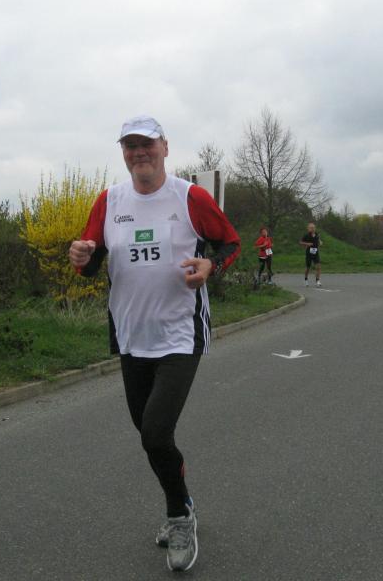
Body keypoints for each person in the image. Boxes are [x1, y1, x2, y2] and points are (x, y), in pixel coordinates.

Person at [68, 115, 240, 572]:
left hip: (180, 333)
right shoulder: (109, 200)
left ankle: (179, 518)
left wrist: (211, 266)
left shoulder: (190, 197)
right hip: (131, 335)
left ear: (165, 147)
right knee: (148, 434)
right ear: (123, 153)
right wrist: (80, 256)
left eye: (147, 144)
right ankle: (182, 502)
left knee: (156, 432)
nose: (139, 153)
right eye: (130, 146)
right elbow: (91, 260)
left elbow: (229, 243)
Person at [299, 222, 322, 287]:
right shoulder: (306, 235)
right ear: (308, 228)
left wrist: (320, 242)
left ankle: (317, 280)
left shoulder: (317, 234)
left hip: (316, 252)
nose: (312, 229)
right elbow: (300, 242)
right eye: (311, 228)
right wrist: (307, 244)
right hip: (309, 253)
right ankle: (306, 279)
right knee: (308, 268)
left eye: (313, 227)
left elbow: (318, 239)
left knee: (318, 267)